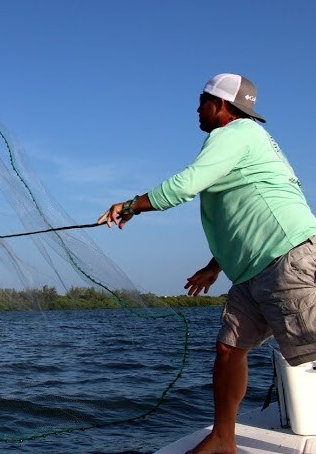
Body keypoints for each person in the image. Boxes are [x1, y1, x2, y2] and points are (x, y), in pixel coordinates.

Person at [98, 73, 316, 454]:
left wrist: (131, 204)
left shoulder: (236, 133)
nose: (197, 109)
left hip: (286, 257)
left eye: (201, 101)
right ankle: (223, 439)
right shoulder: (239, 143)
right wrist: (215, 266)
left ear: (219, 105)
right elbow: (242, 211)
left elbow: (186, 184)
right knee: (229, 351)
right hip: (251, 271)